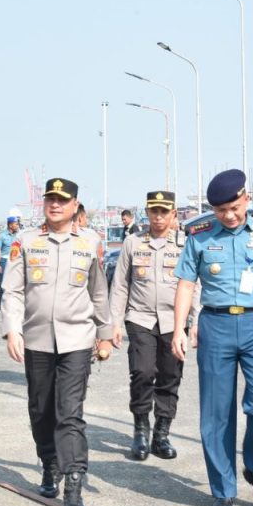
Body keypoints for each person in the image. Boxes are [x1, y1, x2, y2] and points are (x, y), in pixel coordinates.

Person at [171, 169, 253, 506]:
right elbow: (185, 285)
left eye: (234, 207)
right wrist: (179, 329)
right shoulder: (198, 237)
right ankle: (223, 491)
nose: (228, 215)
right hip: (216, 325)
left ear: (246, 199)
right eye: (220, 210)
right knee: (216, 414)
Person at [1, 177, 111, 506]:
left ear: (75, 205)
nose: (55, 205)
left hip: (77, 339)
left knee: (69, 412)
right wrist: (11, 331)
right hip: (36, 339)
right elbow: (13, 291)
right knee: (41, 409)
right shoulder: (26, 241)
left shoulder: (91, 242)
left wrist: (105, 334)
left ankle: (73, 484)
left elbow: (99, 293)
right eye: (50, 199)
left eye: (62, 200)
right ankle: (49, 462)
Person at [110, 190, 194, 461]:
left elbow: (196, 285)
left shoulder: (184, 244)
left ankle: (162, 434)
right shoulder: (133, 243)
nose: (158, 217)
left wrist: (195, 322)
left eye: (164, 212)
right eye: (153, 211)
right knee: (143, 372)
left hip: (174, 321)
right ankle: (141, 431)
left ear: (173, 215)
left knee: (170, 376)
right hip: (140, 318)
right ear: (147, 213)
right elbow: (121, 284)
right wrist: (115, 323)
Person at [0, 216, 21, 305]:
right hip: (4, 262)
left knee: (15, 283)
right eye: (16, 224)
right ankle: (2, 303)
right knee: (3, 284)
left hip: (15, 261)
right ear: (10, 225)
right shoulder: (1, 236)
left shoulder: (18, 236)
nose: (18, 226)